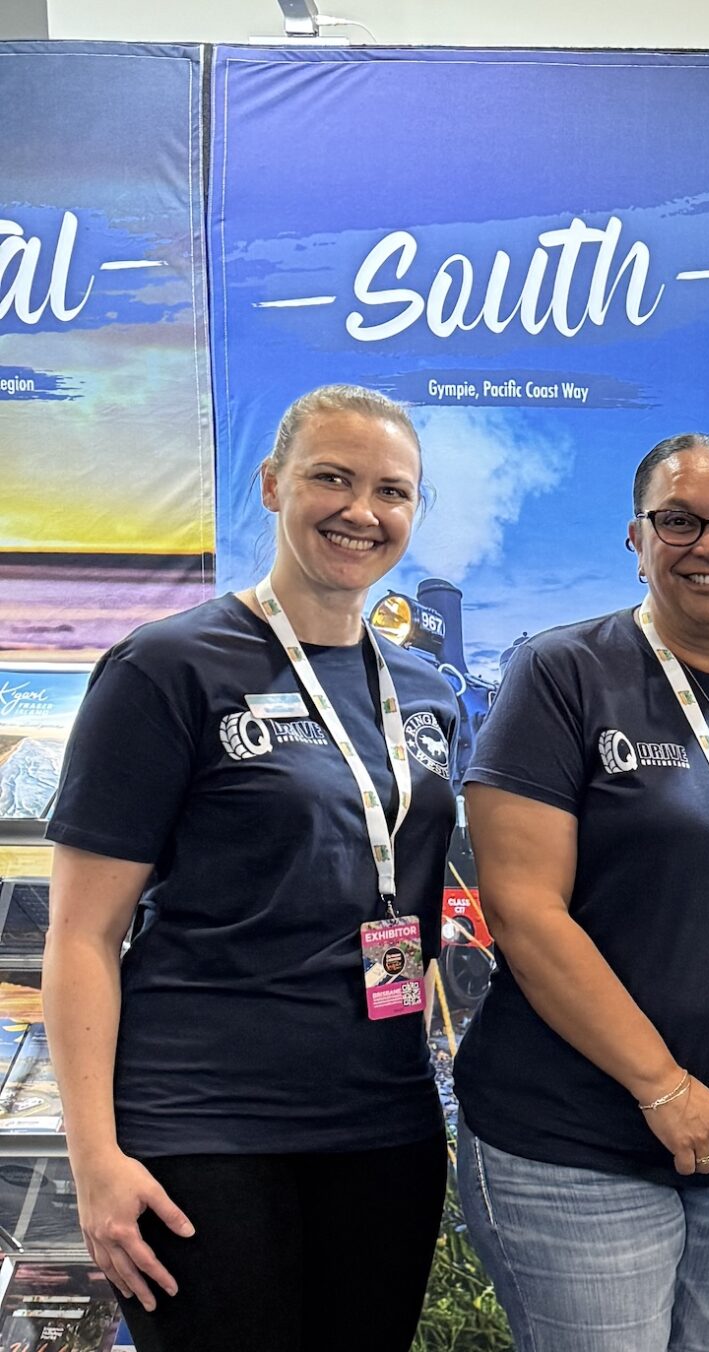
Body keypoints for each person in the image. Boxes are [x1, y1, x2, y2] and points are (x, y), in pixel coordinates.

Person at [44, 384, 457, 1352]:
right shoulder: (167, 668)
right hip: (204, 1124)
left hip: (383, 1120)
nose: (362, 510)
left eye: (391, 491)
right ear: (273, 486)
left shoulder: (428, 692)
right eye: (331, 478)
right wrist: (95, 1156)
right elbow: (81, 933)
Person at [453, 433, 709, 1352]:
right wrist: (664, 1088)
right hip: (576, 1141)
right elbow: (523, 910)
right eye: (677, 521)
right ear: (635, 541)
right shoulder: (563, 675)